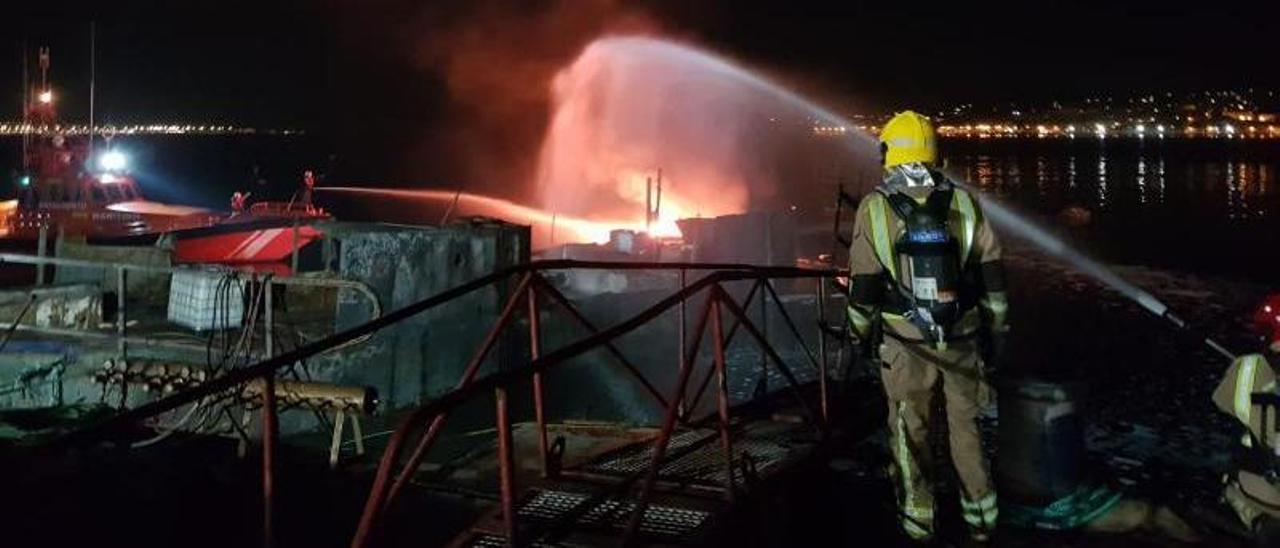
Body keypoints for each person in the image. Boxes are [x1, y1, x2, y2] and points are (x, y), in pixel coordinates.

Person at [846, 111, 1008, 542]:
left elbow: (863, 286)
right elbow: (992, 275)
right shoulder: (964, 202)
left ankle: (919, 522)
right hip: (963, 340)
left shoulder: (876, 208)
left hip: (904, 344)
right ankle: (982, 520)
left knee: (907, 429)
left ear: (889, 152)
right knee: (967, 430)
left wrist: (857, 336)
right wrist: (997, 330)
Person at [1213, 293, 1280, 545]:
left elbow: (1221, 401)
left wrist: (1245, 373)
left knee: (1232, 489)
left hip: (1261, 489)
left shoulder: (1247, 367)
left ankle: (1255, 519)